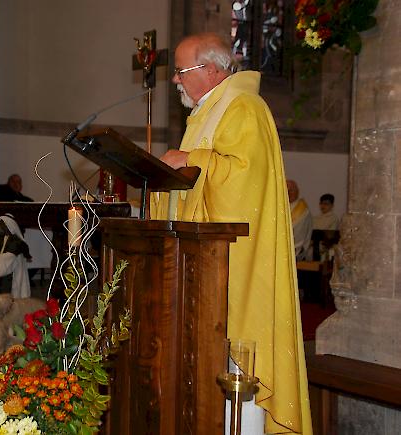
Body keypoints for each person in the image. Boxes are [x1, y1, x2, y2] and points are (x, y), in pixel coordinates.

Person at [151, 33, 312, 435]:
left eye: (181, 72)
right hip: (201, 266)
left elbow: (245, 178)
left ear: (211, 70)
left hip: (234, 266)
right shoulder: (207, 113)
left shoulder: (244, 107)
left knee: (238, 361)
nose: (175, 81)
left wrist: (190, 159)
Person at [287, 180, 313, 261]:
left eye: (290, 190)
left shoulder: (302, 210)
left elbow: (298, 232)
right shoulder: (282, 206)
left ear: (297, 191)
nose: (288, 193)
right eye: (286, 190)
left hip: (295, 250)